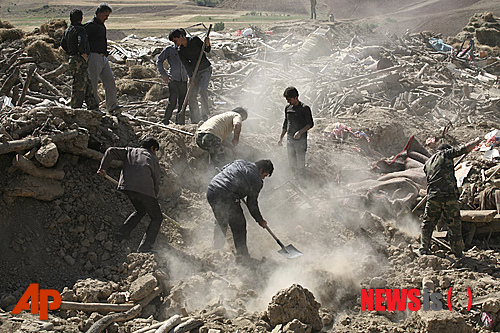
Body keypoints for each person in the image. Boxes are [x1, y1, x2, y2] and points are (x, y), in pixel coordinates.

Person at [97, 137, 162, 253]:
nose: (155, 153)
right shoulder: (152, 158)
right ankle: (145, 247)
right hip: (145, 189)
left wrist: (103, 168)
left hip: (127, 187)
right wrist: (154, 197)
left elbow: (111, 151)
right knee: (157, 217)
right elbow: (156, 180)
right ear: (152, 148)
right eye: (155, 150)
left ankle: (121, 234)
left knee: (140, 211)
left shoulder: (130, 151)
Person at [419, 137, 481, 257]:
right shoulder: (445, 154)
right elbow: (463, 149)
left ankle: (424, 249)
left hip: (433, 197)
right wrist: (476, 141)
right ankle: (457, 252)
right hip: (448, 197)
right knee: (454, 225)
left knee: (428, 224)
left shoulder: (428, 162)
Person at [207, 159, 274, 262]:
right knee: (239, 225)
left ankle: (216, 251)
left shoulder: (239, 162)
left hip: (212, 190)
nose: (263, 178)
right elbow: (252, 204)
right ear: (261, 171)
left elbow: (223, 169)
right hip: (226, 195)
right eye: (265, 175)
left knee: (221, 221)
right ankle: (242, 257)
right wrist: (260, 220)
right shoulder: (257, 180)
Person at [169, 28, 212, 124]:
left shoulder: (195, 40)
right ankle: (195, 120)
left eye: (176, 40)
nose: (175, 44)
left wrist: (207, 43)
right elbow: (187, 65)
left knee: (203, 90)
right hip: (195, 73)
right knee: (192, 96)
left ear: (181, 36)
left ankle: (205, 115)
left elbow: (207, 50)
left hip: (205, 69)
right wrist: (190, 77)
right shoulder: (180, 51)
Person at [85, 3, 120, 115]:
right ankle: (94, 107)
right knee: (93, 83)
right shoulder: (90, 26)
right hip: (93, 56)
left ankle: (112, 106)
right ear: (98, 14)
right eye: (105, 15)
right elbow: (83, 41)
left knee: (110, 81)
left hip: (103, 57)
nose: (107, 18)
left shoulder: (101, 26)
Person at [60, 9, 99, 111]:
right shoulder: (80, 30)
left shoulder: (67, 30)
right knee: (80, 85)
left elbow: (63, 44)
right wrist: (83, 54)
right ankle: (76, 109)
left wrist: (70, 52)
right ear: (81, 18)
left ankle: (93, 107)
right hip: (79, 59)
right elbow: (81, 43)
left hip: (73, 59)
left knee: (87, 83)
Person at [278, 87, 314, 184]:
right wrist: (281, 137)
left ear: (296, 97)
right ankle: (295, 179)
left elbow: (310, 124)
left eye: (290, 99)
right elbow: (286, 123)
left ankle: (302, 181)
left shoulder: (304, 108)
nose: (288, 102)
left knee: (300, 162)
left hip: (300, 141)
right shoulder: (288, 108)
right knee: (291, 161)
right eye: (287, 100)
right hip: (290, 140)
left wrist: (300, 132)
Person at [156, 36, 189, 125]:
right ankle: (165, 121)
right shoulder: (169, 50)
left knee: (183, 103)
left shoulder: (186, 49)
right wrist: (164, 74)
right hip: (173, 79)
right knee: (172, 102)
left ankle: (180, 123)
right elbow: (159, 60)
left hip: (184, 80)